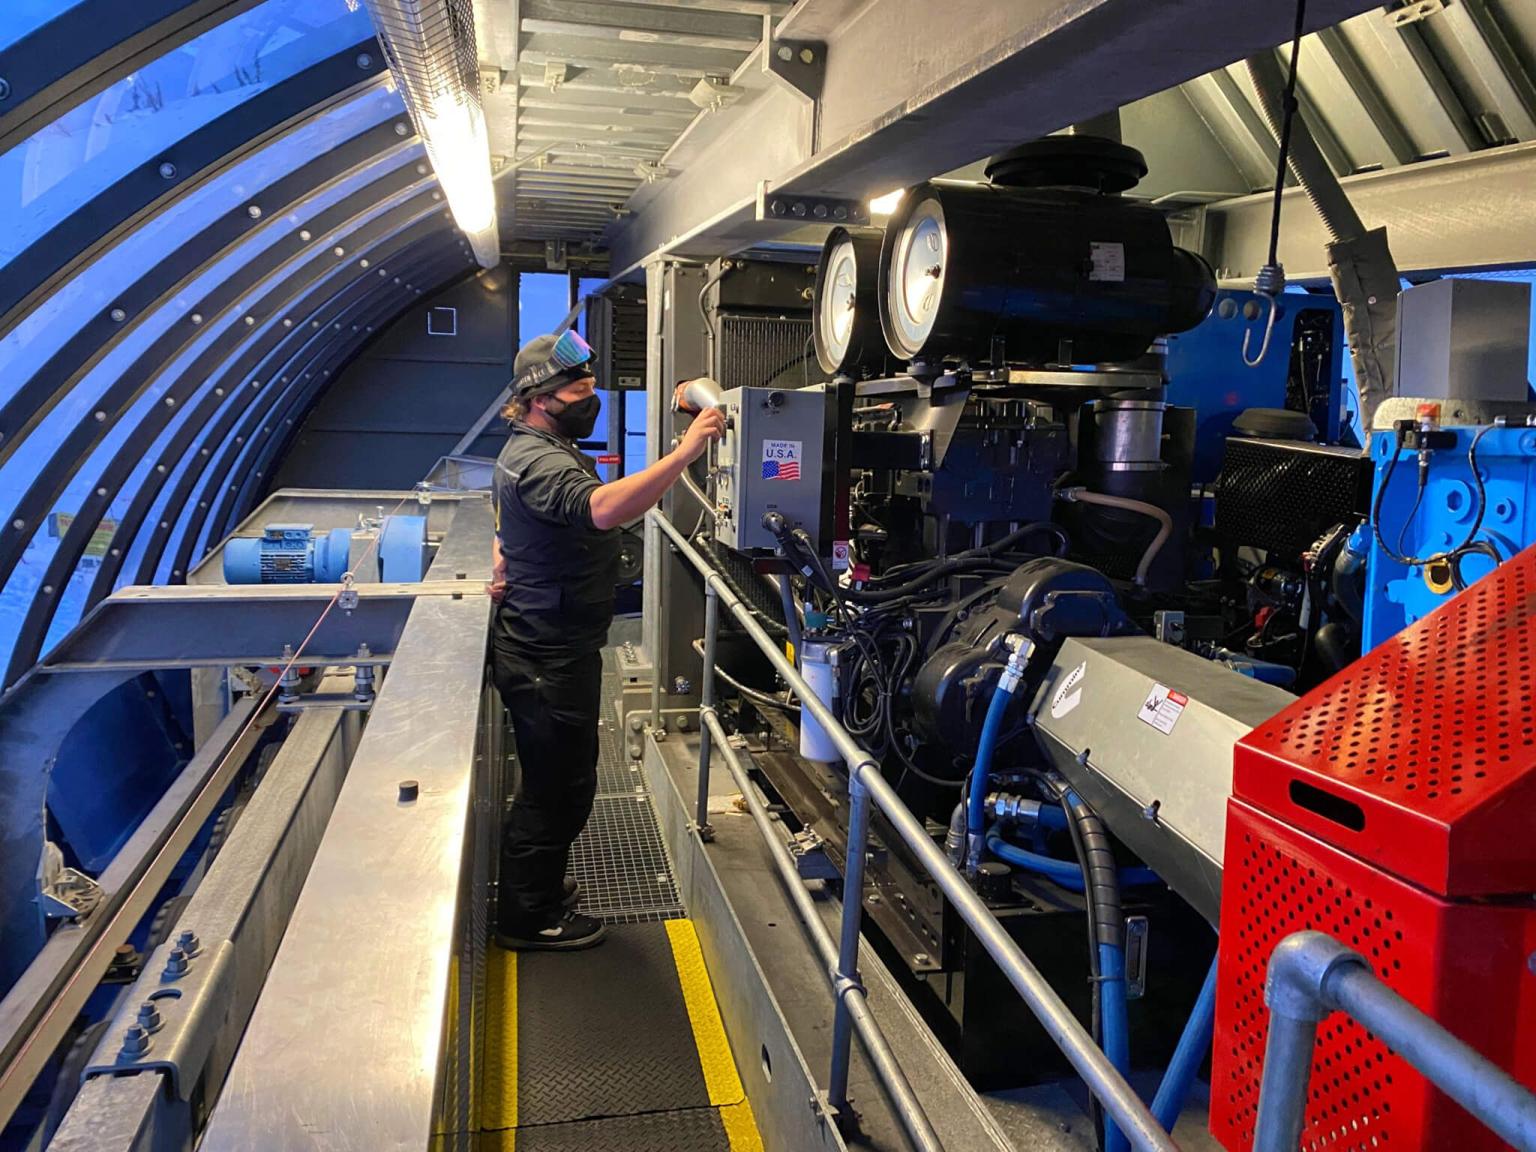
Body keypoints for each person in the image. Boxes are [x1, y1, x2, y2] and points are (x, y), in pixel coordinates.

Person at [489, 330, 725, 950]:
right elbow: (600, 510)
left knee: (563, 777)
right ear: (541, 398)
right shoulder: (540, 459)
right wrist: (685, 453)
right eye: (579, 389)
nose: (591, 397)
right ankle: (528, 917)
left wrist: (504, 551)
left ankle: (538, 886)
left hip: (555, 642)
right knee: (556, 785)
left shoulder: (540, 444)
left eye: (593, 384)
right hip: (546, 653)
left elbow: (518, 518)